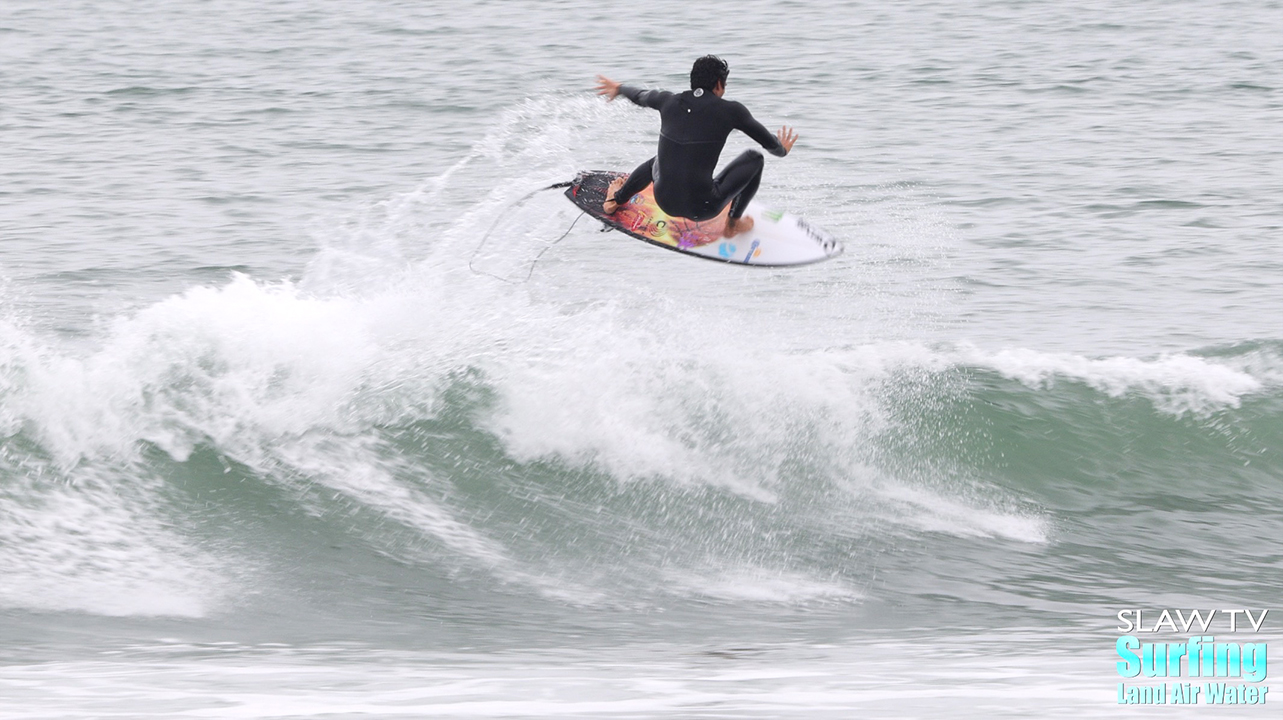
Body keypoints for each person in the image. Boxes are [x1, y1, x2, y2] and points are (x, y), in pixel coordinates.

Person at [595, 55, 798, 238]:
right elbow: (770, 144)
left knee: (658, 161)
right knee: (755, 158)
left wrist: (619, 88)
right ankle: (733, 224)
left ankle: (615, 201)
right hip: (704, 208)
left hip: (664, 201)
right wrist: (783, 150)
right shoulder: (732, 111)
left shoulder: (668, 100)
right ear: (719, 83)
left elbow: (640, 95)